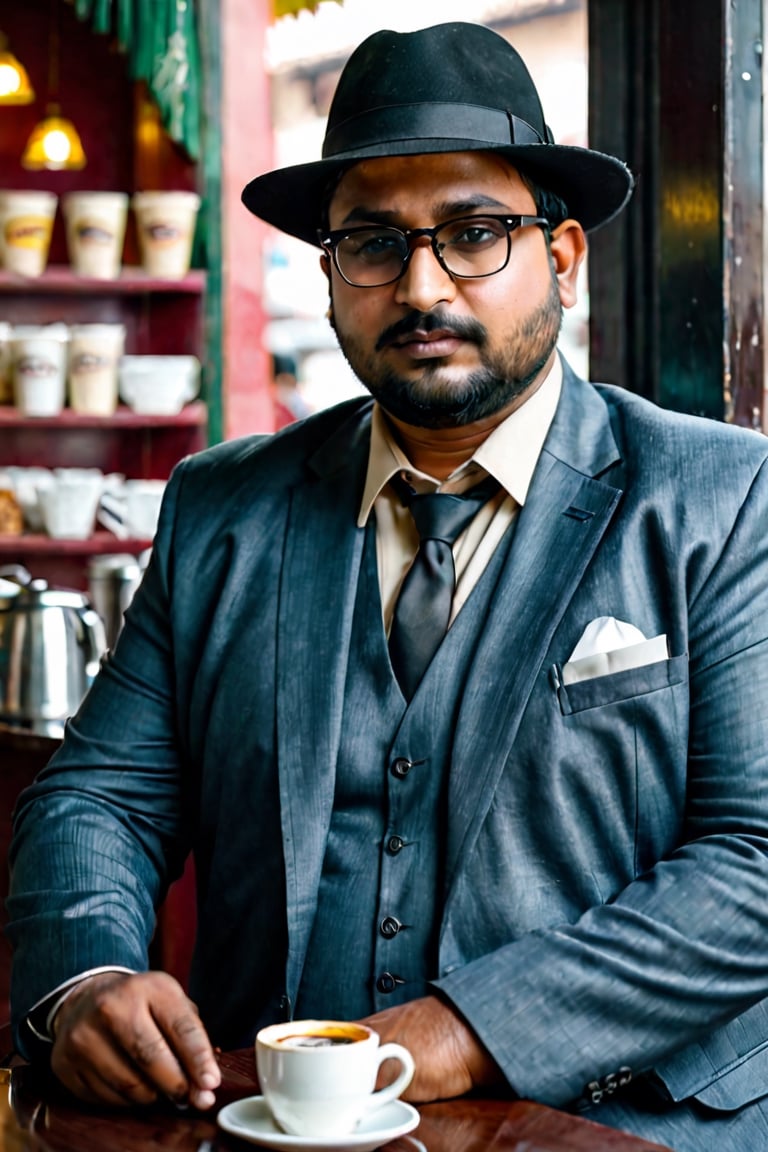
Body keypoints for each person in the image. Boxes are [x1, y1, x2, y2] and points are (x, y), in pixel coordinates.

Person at [7, 21, 768, 1151]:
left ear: (562, 258)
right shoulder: (226, 509)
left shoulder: (721, 496)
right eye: (372, 241)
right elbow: (98, 798)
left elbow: (753, 866)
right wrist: (85, 979)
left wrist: (462, 1030)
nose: (421, 285)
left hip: (628, 1132)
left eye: (474, 234)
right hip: (272, 1132)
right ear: (328, 276)